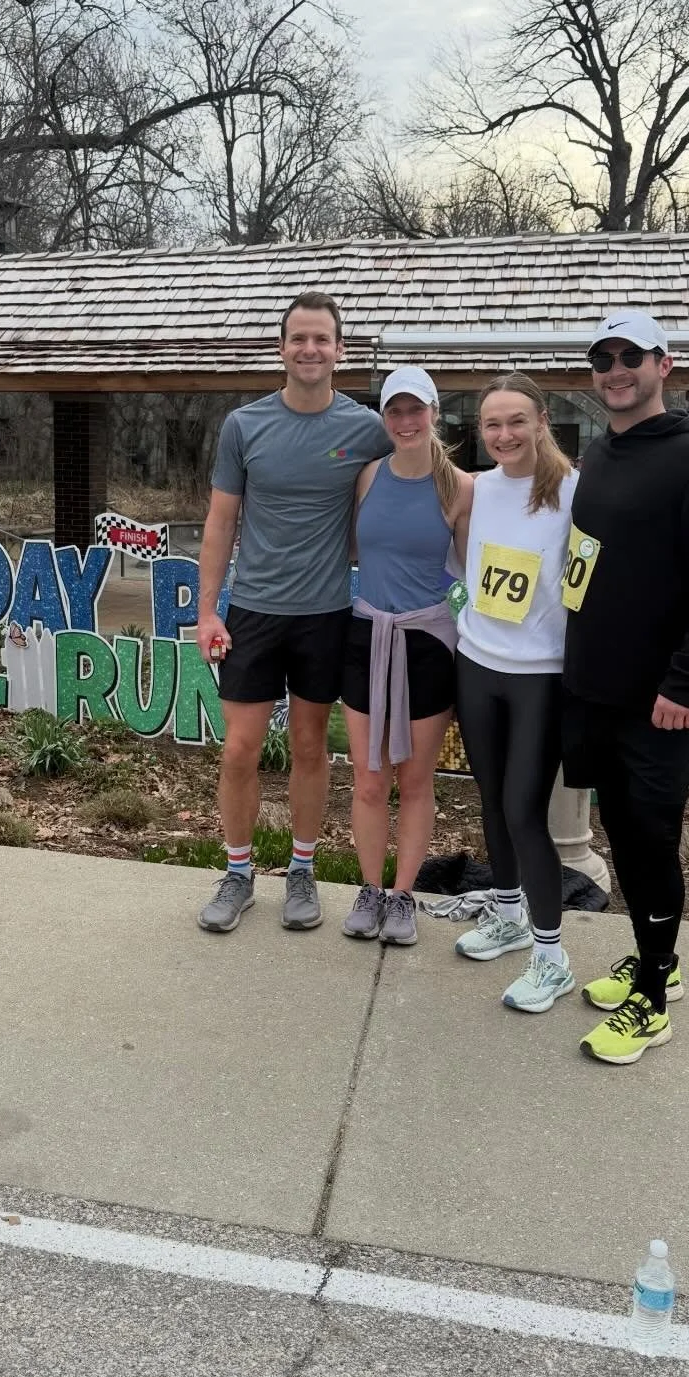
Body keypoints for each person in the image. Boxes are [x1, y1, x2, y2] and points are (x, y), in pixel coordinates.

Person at [564, 310, 689, 1064]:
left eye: (630, 356)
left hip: (661, 701)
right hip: (597, 691)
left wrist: (688, 683)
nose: (616, 369)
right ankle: (655, 962)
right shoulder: (604, 455)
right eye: (603, 357)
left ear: (663, 365)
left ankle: (651, 1001)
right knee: (623, 834)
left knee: (652, 841)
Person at [194, 291, 394, 933]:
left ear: (340, 349)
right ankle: (238, 873)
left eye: (322, 339)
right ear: (282, 348)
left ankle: (303, 872)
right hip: (253, 613)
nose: (310, 349)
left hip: (328, 613)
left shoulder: (367, 428)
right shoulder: (244, 426)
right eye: (298, 338)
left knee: (311, 746)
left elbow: (419, 484)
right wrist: (208, 611)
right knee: (240, 750)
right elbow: (222, 521)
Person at [451, 375, 580, 1013]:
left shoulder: (576, 492)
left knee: (525, 811)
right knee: (491, 801)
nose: (504, 435)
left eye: (516, 422)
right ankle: (507, 913)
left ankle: (552, 958)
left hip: (541, 676)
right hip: (477, 663)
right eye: (492, 425)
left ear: (542, 421)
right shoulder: (478, 488)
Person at [341, 368, 473, 947]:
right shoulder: (368, 476)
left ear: (434, 413)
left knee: (416, 781)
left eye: (415, 410)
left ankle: (402, 896)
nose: (405, 422)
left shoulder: (461, 488)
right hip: (367, 634)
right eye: (394, 411)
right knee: (369, 780)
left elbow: (471, 575)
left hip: (427, 643)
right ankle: (370, 890)